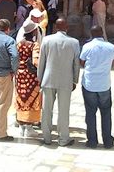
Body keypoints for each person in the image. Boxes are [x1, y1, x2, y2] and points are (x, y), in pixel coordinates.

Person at [37, 17, 80, 147]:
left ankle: (47, 137)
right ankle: (63, 138)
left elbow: (41, 62)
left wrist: (40, 79)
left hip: (48, 79)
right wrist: (75, 80)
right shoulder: (74, 42)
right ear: (67, 27)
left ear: (55, 27)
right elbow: (76, 64)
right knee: (63, 110)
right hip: (66, 80)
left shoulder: (47, 40)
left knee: (47, 110)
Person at [79, 24, 114, 149]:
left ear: (91, 34)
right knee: (106, 113)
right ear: (102, 33)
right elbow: (113, 64)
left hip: (90, 83)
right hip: (104, 84)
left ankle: (92, 141)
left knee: (90, 113)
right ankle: (107, 141)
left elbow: (82, 62)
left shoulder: (87, 47)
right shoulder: (111, 47)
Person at [14, 19, 42, 136]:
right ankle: (29, 127)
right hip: (31, 76)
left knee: (21, 97)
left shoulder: (18, 43)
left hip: (19, 75)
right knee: (31, 98)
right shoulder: (34, 45)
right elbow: (36, 61)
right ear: (34, 31)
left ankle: (21, 125)